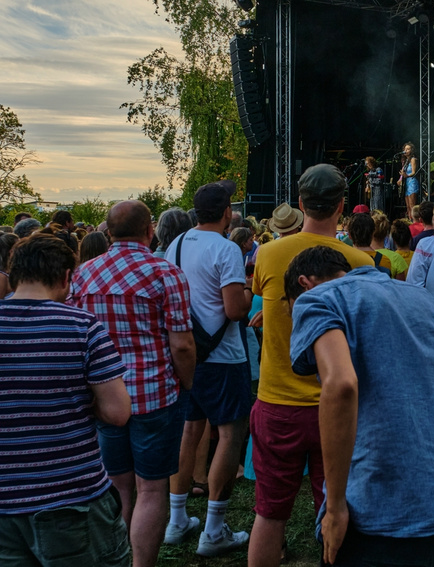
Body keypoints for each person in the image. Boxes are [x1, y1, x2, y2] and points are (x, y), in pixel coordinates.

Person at [286, 246, 434, 567]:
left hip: (386, 515)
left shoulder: (318, 298)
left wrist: (336, 505)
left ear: (303, 284)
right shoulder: (421, 298)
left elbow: (340, 384)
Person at [247, 165, 372, 567]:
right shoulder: (362, 262)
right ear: (341, 208)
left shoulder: (266, 254)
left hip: (277, 403)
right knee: (336, 508)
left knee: (269, 514)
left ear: (300, 205)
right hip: (336, 407)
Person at [70, 200, 196, 567]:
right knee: (153, 488)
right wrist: (186, 383)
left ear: (108, 232)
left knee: (119, 485)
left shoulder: (84, 275)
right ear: (149, 230)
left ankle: (117, 559)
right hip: (155, 393)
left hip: (106, 397)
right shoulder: (165, 273)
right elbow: (183, 342)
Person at [0, 233, 132, 566]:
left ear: (12, 275)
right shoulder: (82, 327)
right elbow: (118, 413)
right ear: (66, 278)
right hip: (72, 498)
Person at [164, 180, 255, 557]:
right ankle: (214, 529)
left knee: (189, 431)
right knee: (231, 434)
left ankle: (176, 519)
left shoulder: (176, 244)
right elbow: (235, 310)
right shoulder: (226, 248)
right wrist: (249, 291)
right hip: (224, 358)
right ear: (226, 213)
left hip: (187, 354)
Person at [398, 142, 419, 220]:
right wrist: (400, 179)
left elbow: (414, 172)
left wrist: (406, 175)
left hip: (412, 182)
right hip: (406, 183)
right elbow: (403, 173)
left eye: (408, 149)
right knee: (408, 206)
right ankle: (410, 220)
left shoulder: (413, 159)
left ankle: (414, 221)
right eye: (405, 149)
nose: (406, 150)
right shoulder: (406, 161)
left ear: (411, 150)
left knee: (412, 204)